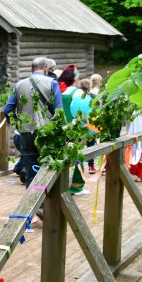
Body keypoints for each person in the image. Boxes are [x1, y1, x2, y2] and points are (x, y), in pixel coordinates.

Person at [3, 57, 61, 192]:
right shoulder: (52, 83)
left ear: (32, 69)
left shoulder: (18, 85)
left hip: (25, 133)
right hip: (47, 132)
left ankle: (32, 205)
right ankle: (45, 204)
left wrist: (18, 124)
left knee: (31, 170)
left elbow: (7, 110)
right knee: (47, 168)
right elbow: (59, 111)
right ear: (46, 69)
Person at [58, 64, 89, 195]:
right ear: (75, 78)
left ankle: (60, 185)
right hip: (74, 130)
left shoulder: (59, 91)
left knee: (61, 157)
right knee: (77, 157)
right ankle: (76, 187)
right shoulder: (77, 93)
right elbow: (83, 113)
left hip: (59, 129)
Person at [72, 78, 97, 174]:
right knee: (91, 144)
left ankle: (77, 166)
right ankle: (91, 166)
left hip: (79, 122)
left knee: (78, 144)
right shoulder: (93, 97)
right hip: (90, 122)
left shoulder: (77, 97)